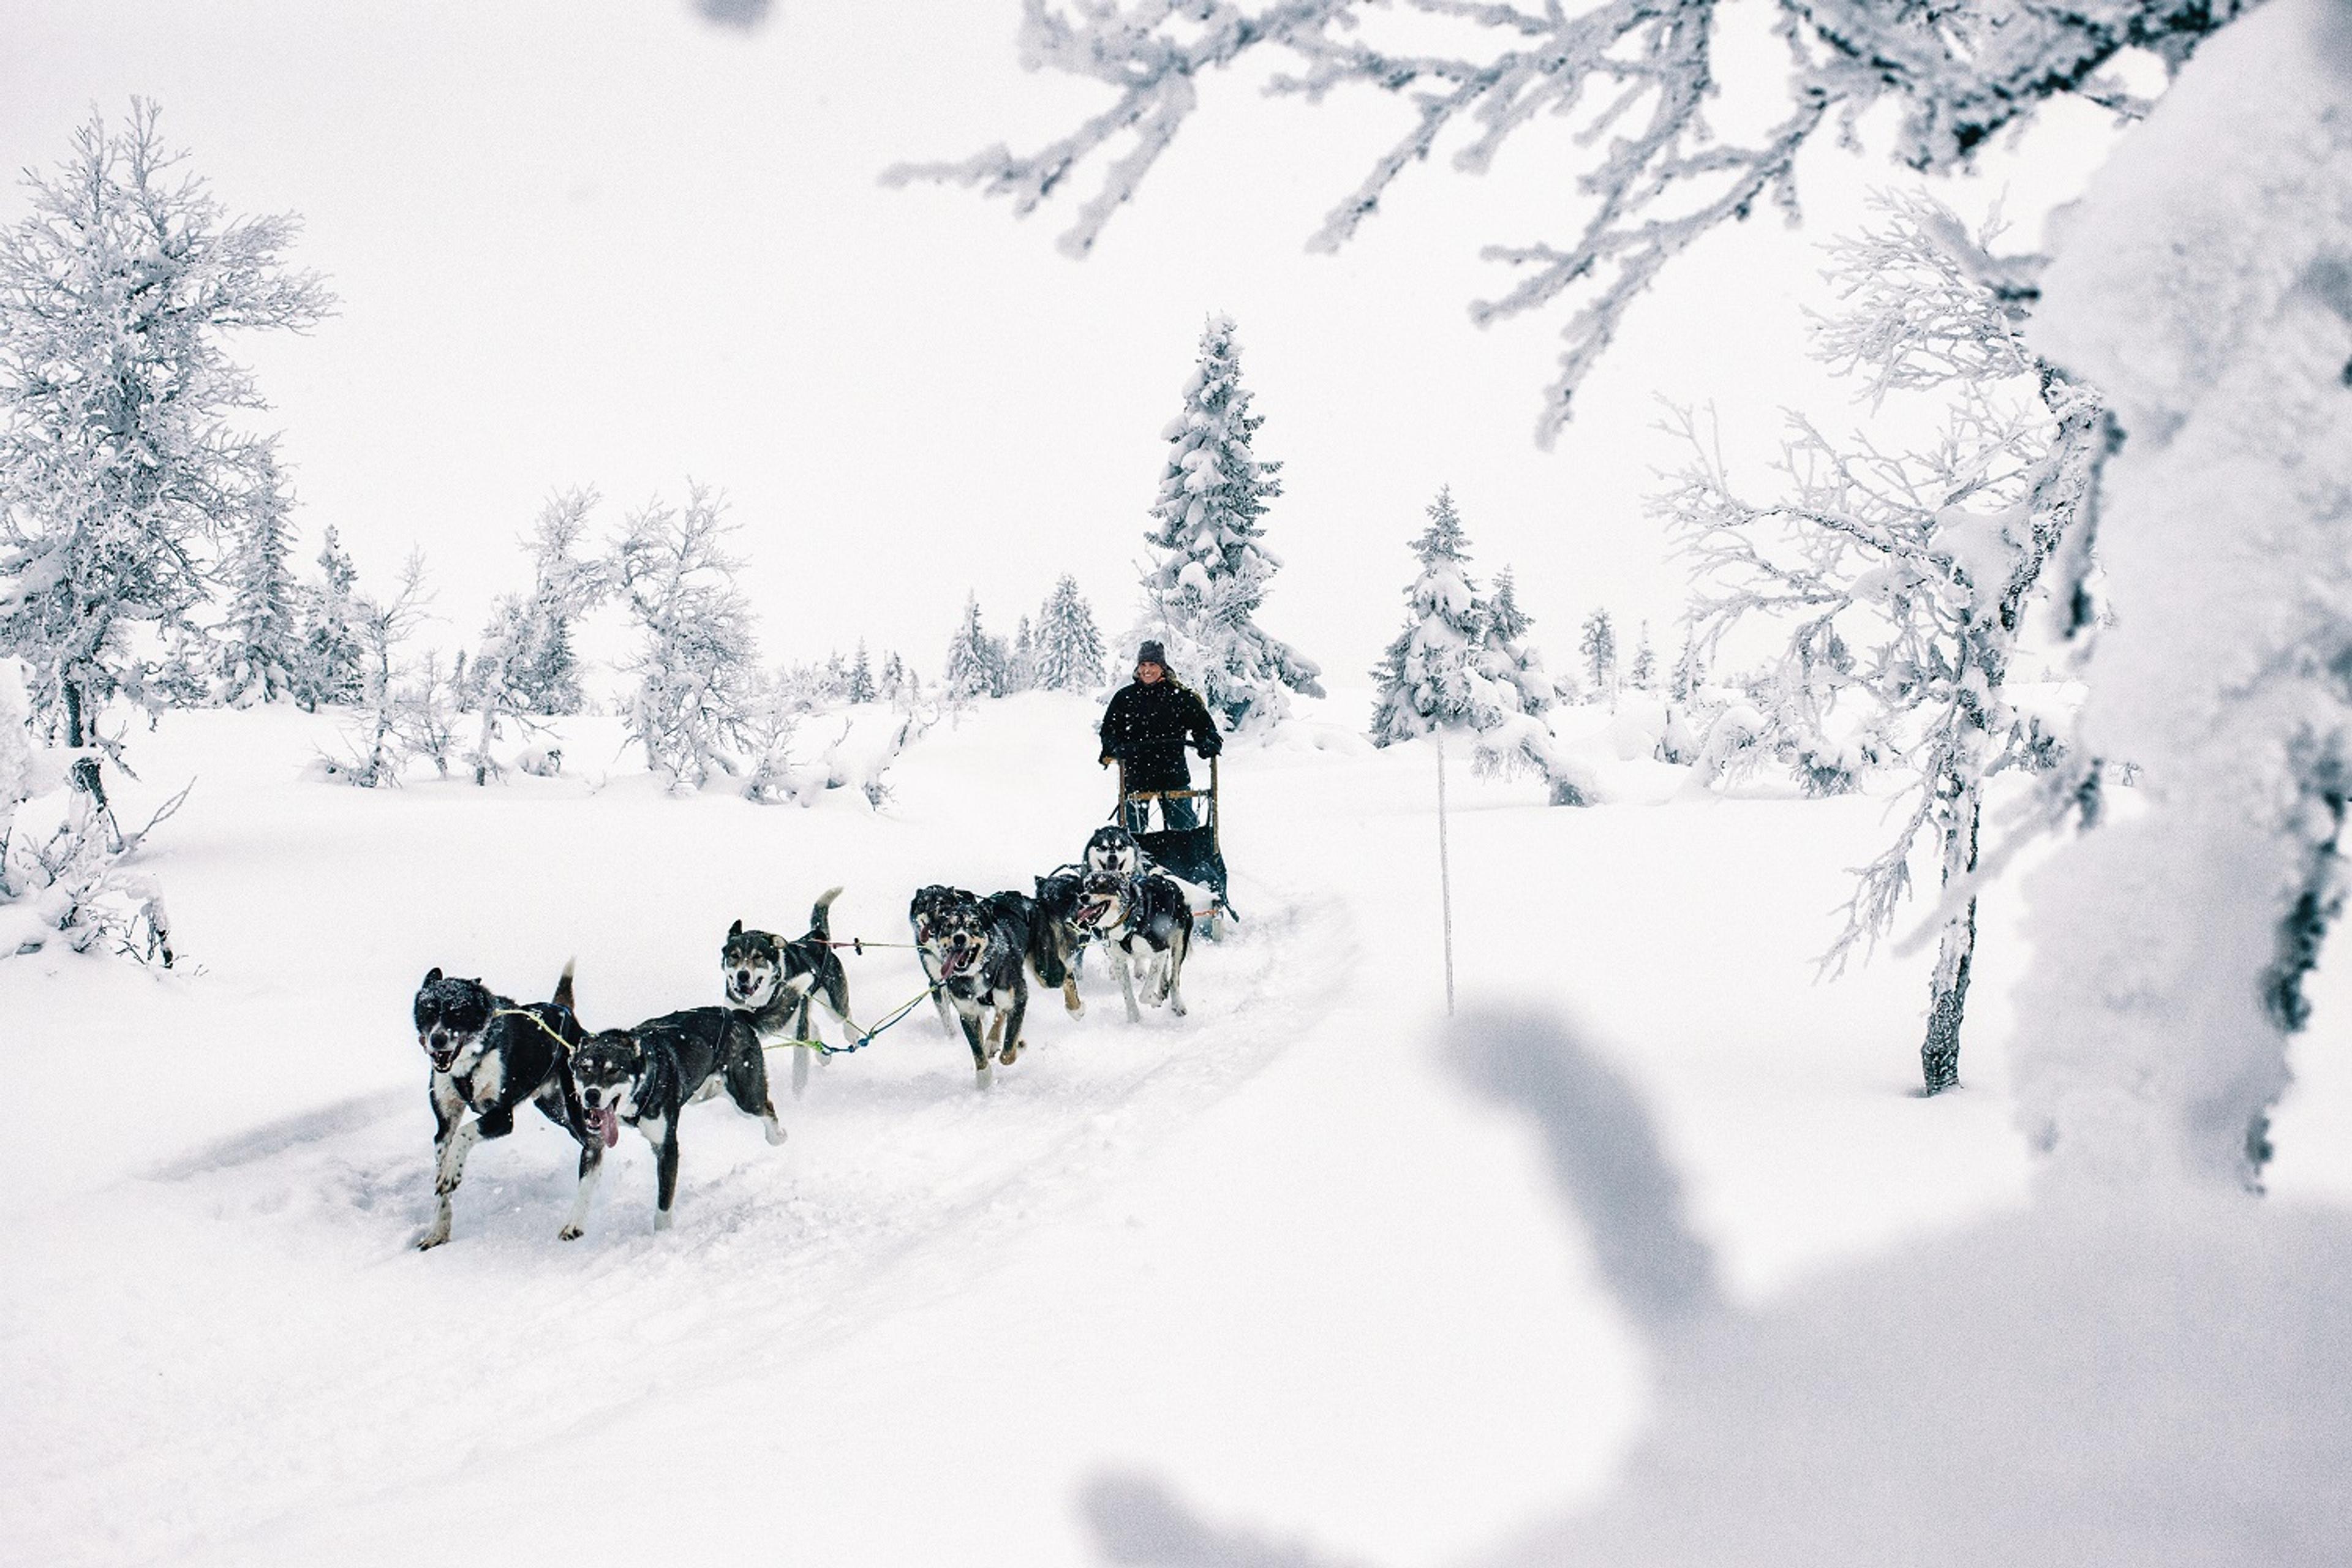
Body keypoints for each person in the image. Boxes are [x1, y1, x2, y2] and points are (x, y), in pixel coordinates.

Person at [1098, 641, 1220, 834]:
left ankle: (1189, 859)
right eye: (1143, 665)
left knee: (1186, 830)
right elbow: (1109, 731)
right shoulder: (1125, 698)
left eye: (1152, 665)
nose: (1147, 670)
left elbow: (1204, 727)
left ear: (1162, 667)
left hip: (1173, 772)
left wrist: (1208, 742)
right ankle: (1137, 859)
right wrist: (1114, 748)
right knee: (1133, 834)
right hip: (1137, 773)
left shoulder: (1180, 697)